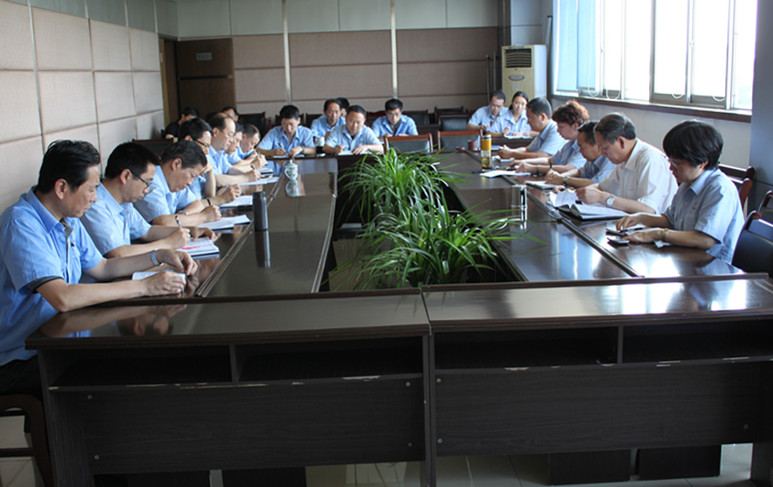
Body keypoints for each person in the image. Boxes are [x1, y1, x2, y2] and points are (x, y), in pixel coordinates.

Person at [0, 140, 196, 396]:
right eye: (92, 189)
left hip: (62, 337)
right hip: (23, 356)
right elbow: (62, 297)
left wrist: (158, 256)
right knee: (123, 372)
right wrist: (144, 286)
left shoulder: (67, 218)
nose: (95, 198)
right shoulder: (21, 223)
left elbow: (103, 267)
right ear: (62, 188)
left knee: (144, 359)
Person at [615, 121, 743, 263]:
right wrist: (640, 218)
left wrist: (657, 234)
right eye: (670, 161)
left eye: (677, 163)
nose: (671, 168)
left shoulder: (720, 189)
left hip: (713, 267)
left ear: (702, 163)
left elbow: (705, 240)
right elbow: (670, 220)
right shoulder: (687, 183)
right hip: (687, 258)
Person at [81, 142, 214, 258]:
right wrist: (167, 243)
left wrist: (189, 231)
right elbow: (118, 254)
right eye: (146, 182)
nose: (147, 190)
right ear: (126, 176)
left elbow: (147, 232)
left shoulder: (125, 202)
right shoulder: (95, 205)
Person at [575, 113, 677, 214]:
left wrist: (603, 198)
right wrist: (584, 192)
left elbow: (648, 209)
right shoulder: (623, 160)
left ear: (621, 142)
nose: (602, 153)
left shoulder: (650, 159)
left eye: (604, 148)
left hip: (653, 223)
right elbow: (602, 187)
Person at [133, 140, 222, 226]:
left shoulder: (173, 182)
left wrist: (181, 217)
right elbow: (164, 223)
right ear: (176, 164)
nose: (190, 183)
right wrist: (204, 216)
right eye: (191, 175)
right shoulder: (151, 183)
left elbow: (197, 203)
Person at [511, 100, 589, 173]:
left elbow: (568, 168)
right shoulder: (569, 144)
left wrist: (533, 168)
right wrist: (523, 162)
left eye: (561, 127)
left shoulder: (585, 145)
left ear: (575, 126)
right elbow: (550, 161)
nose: (558, 130)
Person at [545, 121, 615, 188]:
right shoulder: (592, 159)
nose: (580, 151)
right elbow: (580, 171)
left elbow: (596, 183)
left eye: (582, 147)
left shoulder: (610, 159)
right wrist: (559, 177)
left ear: (597, 146)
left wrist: (564, 179)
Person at [498, 97, 565, 161]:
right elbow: (528, 150)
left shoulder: (555, 130)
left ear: (542, 117)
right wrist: (509, 151)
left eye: (530, 118)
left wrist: (512, 154)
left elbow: (542, 156)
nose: (528, 122)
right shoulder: (542, 132)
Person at [207, 114, 260, 185]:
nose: (231, 140)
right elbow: (216, 179)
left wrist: (251, 172)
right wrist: (246, 178)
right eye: (229, 135)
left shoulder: (220, 153)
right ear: (215, 132)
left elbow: (229, 170)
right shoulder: (206, 153)